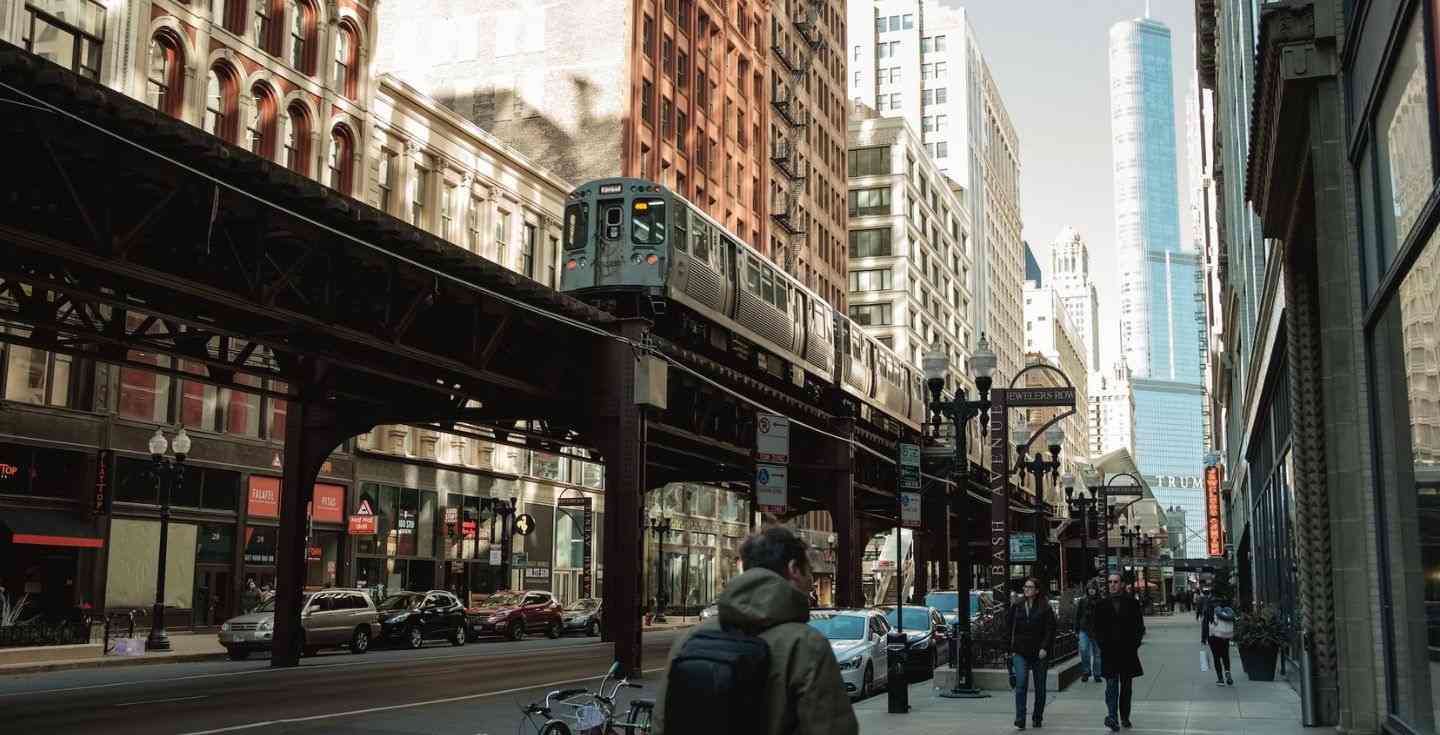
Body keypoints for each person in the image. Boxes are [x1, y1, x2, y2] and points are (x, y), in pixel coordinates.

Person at [653, 526, 857, 735]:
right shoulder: (806, 645)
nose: (811, 582)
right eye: (810, 572)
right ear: (794, 569)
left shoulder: (689, 638)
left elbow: (661, 721)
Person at [1093, 573, 1145, 732]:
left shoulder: (1132, 603)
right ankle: (1112, 716)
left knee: (1126, 687)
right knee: (1111, 684)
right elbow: (1097, 628)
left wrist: (1134, 645)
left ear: (1122, 584)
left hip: (1127, 652)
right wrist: (1102, 646)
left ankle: (1125, 716)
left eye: (1115, 582)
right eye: (1110, 582)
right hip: (1109, 652)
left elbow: (1139, 627)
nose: (1112, 584)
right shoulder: (1101, 604)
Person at [1008, 577, 1057, 729]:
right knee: (1021, 683)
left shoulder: (1045, 607)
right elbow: (1009, 627)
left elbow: (1050, 630)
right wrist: (1010, 649)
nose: (1026, 589)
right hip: (1020, 651)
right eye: (1025, 587)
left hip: (1039, 652)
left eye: (1030, 587)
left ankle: (1037, 717)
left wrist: (1044, 647)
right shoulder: (1017, 605)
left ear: (1036, 590)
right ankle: (1020, 718)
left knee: (1040, 687)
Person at [1200, 584, 1236, 686]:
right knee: (1225, 655)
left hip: (1213, 635)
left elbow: (1205, 623)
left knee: (1216, 657)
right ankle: (1228, 672)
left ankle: (1220, 679)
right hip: (1225, 634)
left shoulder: (1209, 605)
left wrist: (1203, 638)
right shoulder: (1226, 605)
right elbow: (1232, 619)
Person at [1074, 581, 1103, 683]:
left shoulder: (1100, 601)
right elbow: (1077, 615)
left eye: (1093, 588)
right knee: (1083, 650)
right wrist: (1076, 630)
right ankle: (1086, 671)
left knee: (1097, 654)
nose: (1091, 590)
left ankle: (1097, 674)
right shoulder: (1083, 601)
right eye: (1090, 588)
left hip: (1097, 630)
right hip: (1084, 629)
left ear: (1096, 590)